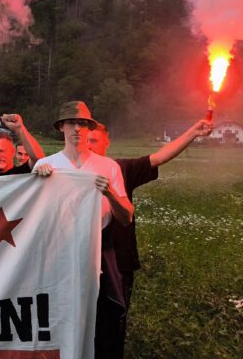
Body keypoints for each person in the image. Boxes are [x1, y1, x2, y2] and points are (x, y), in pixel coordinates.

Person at [89, 118, 213, 357]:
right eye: (86, 141)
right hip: (83, 261)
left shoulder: (121, 168)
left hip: (119, 261)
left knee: (114, 321)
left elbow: (159, 157)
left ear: (106, 142)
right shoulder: (71, 172)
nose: (90, 145)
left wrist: (192, 133)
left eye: (94, 140)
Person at [33, 101, 133, 359]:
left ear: (90, 129)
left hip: (96, 253)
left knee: (100, 322)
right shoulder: (47, 165)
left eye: (82, 124)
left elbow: (126, 217)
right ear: (61, 128)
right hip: (58, 254)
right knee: (59, 318)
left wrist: (110, 193)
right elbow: (32, 214)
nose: (77, 128)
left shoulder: (108, 167)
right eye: (71, 123)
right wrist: (36, 181)